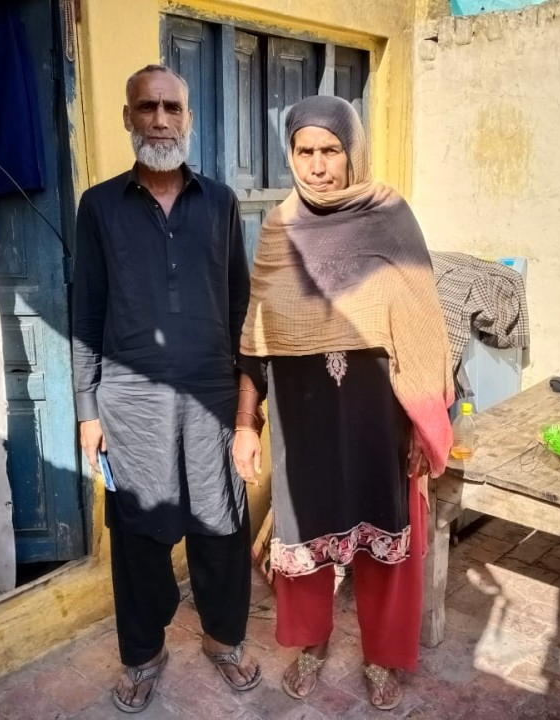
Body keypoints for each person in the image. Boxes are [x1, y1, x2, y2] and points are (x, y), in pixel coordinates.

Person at [233, 95, 455, 711]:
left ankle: (383, 659)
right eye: (305, 151)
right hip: (302, 417)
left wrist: (420, 418)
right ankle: (309, 645)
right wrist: (246, 421)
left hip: (377, 413)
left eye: (330, 150)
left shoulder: (388, 216)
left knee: (387, 535)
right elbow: (256, 336)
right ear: (291, 156)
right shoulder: (280, 228)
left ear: (352, 152)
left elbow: (421, 321)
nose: (318, 165)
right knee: (304, 541)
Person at [72, 64, 261, 713]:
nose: (159, 119)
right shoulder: (98, 206)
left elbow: (243, 308)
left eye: (171, 107)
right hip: (131, 405)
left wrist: (247, 413)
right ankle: (144, 655)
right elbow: (87, 310)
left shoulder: (222, 202)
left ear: (188, 117)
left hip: (212, 398)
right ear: (128, 117)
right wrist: (86, 409)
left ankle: (224, 639)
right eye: (146, 107)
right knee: (139, 537)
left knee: (221, 525)